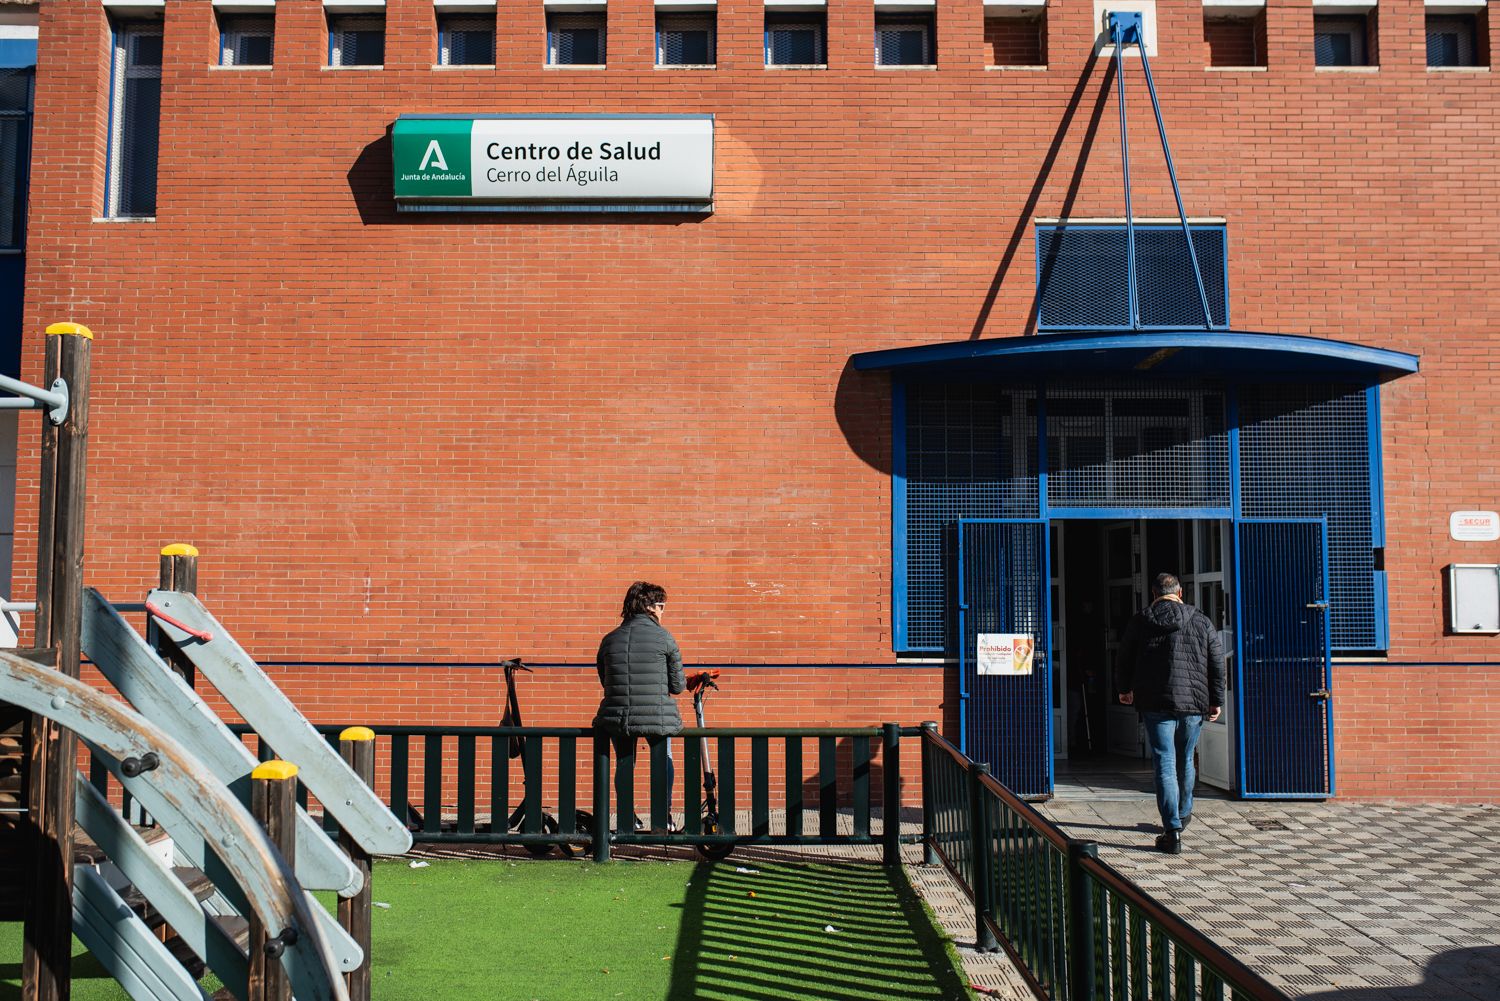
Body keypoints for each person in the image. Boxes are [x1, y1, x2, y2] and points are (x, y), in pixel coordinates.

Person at [1117, 572, 1224, 854]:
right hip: (1192, 702)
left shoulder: (1141, 620)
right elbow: (1216, 662)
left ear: (1154, 594)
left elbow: (1124, 657)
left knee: (1164, 761)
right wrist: (1216, 700)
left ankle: (1172, 830)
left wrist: (1124, 689)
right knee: (1185, 758)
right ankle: (1184, 812)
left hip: (1155, 702)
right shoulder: (1201, 620)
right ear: (1180, 593)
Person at [593, 581, 686, 833]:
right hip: (657, 716)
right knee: (663, 759)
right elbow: (678, 686)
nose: (662, 611)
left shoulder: (609, 640)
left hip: (617, 715)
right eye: (660, 605)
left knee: (624, 763)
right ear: (648, 605)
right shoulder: (664, 638)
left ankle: (626, 819)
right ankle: (662, 818)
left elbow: (605, 680)